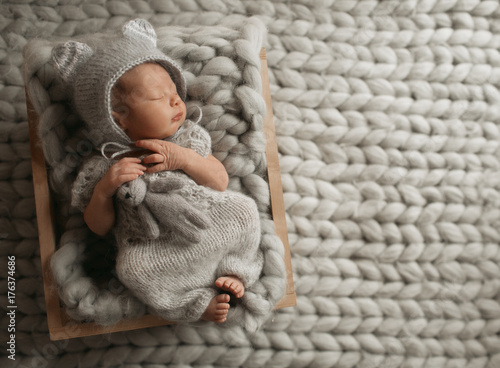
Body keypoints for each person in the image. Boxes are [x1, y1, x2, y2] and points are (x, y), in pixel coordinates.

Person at [53, 19, 264, 324]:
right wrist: (104, 190)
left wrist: (186, 160)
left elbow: (219, 181)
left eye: (173, 90)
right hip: (153, 246)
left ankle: (237, 273)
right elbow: (98, 227)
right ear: (119, 119)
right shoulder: (106, 166)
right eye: (159, 98)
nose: (176, 100)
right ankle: (194, 303)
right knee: (132, 271)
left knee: (245, 209)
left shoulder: (186, 139)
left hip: (208, 219)